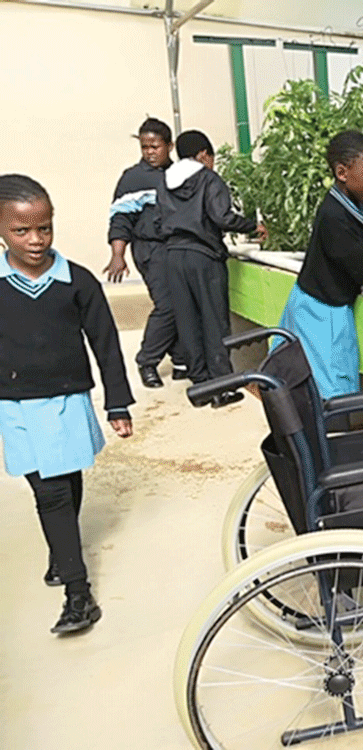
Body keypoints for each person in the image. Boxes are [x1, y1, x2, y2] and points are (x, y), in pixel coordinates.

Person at [0, 174, 135, 634]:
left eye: (45, 228)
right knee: (49, 492)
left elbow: (106, 343)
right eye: (22, 231)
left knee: (64, 484)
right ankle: (78, 590)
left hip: (65, 402)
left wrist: (118, 403)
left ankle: (67, 567)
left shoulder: (76, 281)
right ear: (1, 229)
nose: (36, 240)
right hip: (16, 407)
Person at [273, 130, 363, 401]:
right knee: (335, 392)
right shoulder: (336, 218)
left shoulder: (347, 206)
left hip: (312, 300)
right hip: (323, 311)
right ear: (342, 172)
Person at [158, 129, 265, 407]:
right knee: (214, 321)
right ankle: (223, 388)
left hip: (173, 255)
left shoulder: (164, 182)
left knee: (188, 321)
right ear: (204, 154)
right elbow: (221, 216)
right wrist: (253, 226)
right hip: (203, 256)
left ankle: (201, 387)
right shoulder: (208, 179)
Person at [104, 117, 187, 388]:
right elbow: (120, 219)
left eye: (155, 146)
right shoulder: (133, 178)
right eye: (145, 147)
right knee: (168, 305)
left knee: (182, 303)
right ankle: (147, 360)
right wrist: (118, 255)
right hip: (150, 249)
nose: (150, 152)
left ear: (169, 145)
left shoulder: (179, 175)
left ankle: (180, 359)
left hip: (177, 248)